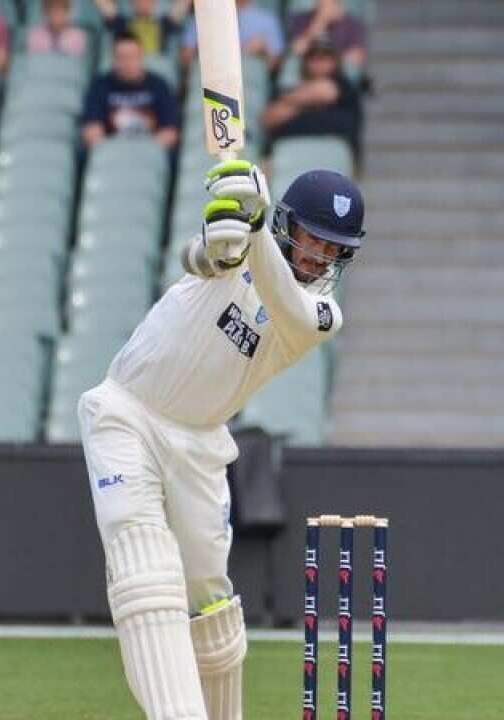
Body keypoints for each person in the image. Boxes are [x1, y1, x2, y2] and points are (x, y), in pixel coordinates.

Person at [77, 159, 364, 720]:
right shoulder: (240, 249)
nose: (319, 257)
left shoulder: (323, 313)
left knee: (209, 598)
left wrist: (251, 234)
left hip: (202, 445)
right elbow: (198, 260)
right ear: (286, 225)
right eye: (312, 239)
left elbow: (287, 306)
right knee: (145, 567)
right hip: (126, 413)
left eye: (334, 250)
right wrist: (223, 241)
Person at [262, 39, 363, 155]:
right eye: (313, 58)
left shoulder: (344, 87)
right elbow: (269, 119)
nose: (318, 64)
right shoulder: (291, 87)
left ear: (335, 62)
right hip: (293, 152)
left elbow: (323, 92)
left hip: (332, 153)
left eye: (324, 58)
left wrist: (290, 104)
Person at [81, 32, 181, 149]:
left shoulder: (159, 85)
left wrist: (143, 151)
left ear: (141, 57)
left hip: (150, 152)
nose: (126, 63)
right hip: (111, 153)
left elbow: (170, 132)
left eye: (131, 57)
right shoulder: (100, 85)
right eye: (121, 57)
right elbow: (91, 130)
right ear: (113, 59)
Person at [181, 0, 285, 71]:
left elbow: (276, 64)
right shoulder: (204, 16)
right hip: (211, 76)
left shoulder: (267, 19)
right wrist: (205, 48)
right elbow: (186, 59)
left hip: (249, 79)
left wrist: (264, 51)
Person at [285, 0, 368, 73]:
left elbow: (356, 57)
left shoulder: (351, 23)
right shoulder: (301, 19)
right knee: (291, 64)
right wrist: (320, 21)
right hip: (308, 70)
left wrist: (329, 63)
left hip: (338, 72)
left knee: (351, 70)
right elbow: (297, 50)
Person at [95, 0, 192, 56]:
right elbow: (105, 6)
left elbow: (181, 6)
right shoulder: (122, 23)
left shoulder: (163, 24)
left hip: (156, 68)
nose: (142, 3)